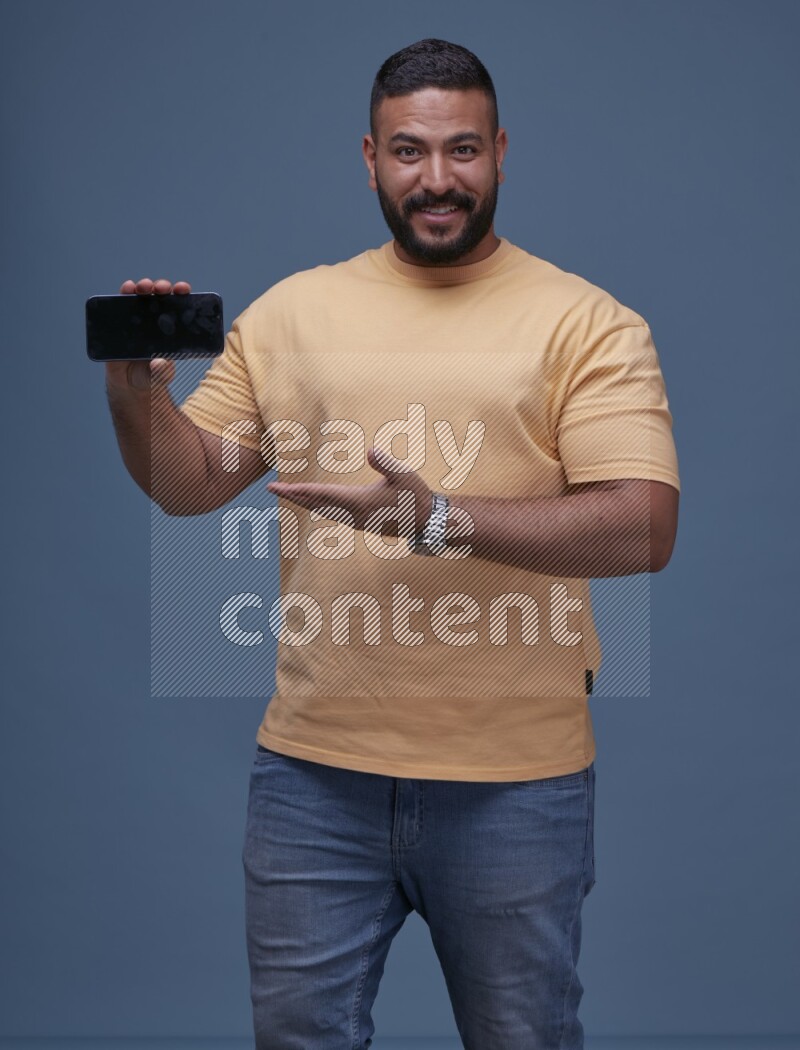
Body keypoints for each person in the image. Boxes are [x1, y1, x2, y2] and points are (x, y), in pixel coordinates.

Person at [105, 38, 680, 1050]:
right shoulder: (292, 313)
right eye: (408, 152)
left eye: (461, 150)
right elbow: (187, 484)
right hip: (311, 780)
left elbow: (642, 523)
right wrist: (136, 390)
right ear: (367, 159)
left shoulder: (586, 323)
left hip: (516, 785)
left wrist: (438, 521)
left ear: (499, 152)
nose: (437, 180)